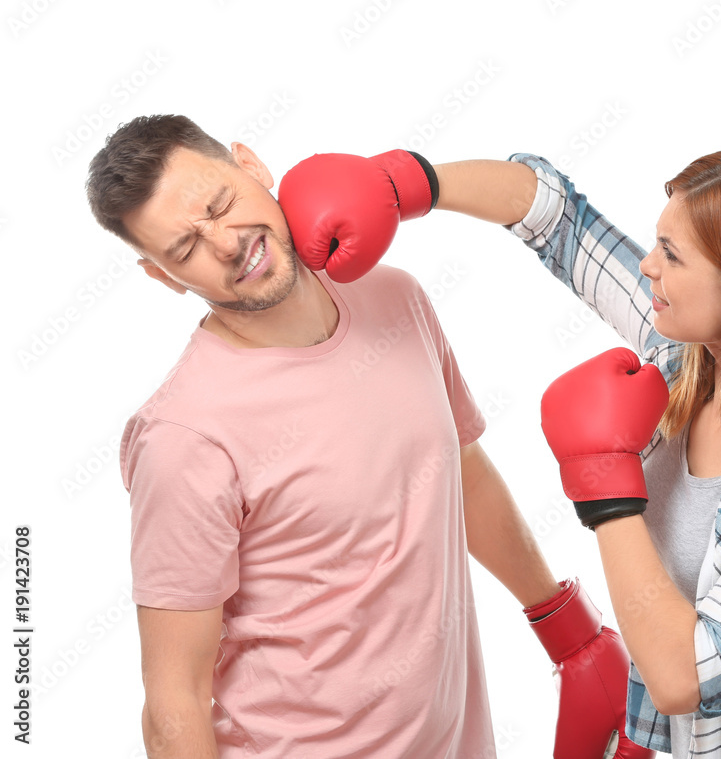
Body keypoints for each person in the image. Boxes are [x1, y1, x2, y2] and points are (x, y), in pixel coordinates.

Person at [282, 148, 721, 757]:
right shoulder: (681, 364)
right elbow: (554, 216)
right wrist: (403, 184)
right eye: (656, 243)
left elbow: (686, 677)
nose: (648, 266)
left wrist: (608, 491)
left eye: (672, 254)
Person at [86, 115, 651, 759]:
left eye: (220, 205)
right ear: (162, 276)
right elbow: (174, 701)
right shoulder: (184, 437)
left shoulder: (394, 298)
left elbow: (459, 473)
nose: (226, 244)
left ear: (250, 165)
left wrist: (567, 630)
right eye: (186, 248)